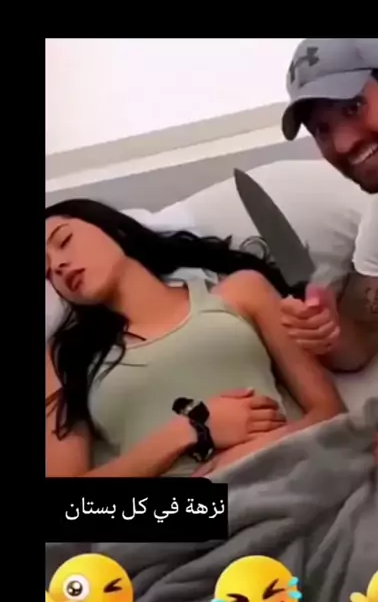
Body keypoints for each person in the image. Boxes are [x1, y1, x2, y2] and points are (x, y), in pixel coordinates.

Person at [45, 199, 344, 478]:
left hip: (286, 476)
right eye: (46, 272)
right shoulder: (63, 358)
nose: (57, 266)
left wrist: (252, 455)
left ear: (113, 228)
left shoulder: (243, 291)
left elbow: (329, 412)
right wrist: (190, 431)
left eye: (64, 241)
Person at [279, 38, 378, 484]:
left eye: (353, 108)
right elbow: (362, 336)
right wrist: (326, 329)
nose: (343, 143)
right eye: (323, 130)